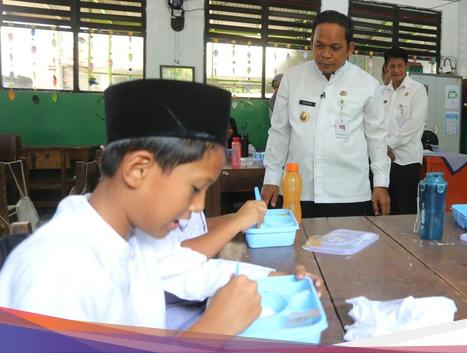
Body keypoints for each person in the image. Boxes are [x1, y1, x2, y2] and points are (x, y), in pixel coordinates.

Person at [0, 80, 319, 335]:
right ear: (138, 169)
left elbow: (194, 270)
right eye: (195, 188)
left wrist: (278, 278)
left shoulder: (130, 238)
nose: (197, 207)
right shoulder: (55, 272)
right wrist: (209, 333)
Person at [262, 10, 390, 218]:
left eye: (335, 47)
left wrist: (381, 183)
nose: (325, 54)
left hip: (350, 195)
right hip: (298, 192)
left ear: (350, 48)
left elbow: (377, 138)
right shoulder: (293, 79)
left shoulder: (367, 84)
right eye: (319, 45)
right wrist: (271, 177)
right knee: (297, 249)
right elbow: (279, 132)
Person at [381, 47, 427, 214]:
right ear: (386, 67)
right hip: (383, 160)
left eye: (400, 65)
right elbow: (374, 123)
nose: (396, 70)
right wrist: (382, 149)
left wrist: (388, 145)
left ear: (406, 66)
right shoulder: (381, 92)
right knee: (385, 208)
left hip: (407, 160)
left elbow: (413, 125)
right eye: (392, 66)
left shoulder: (417, 90)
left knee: (404, 209)